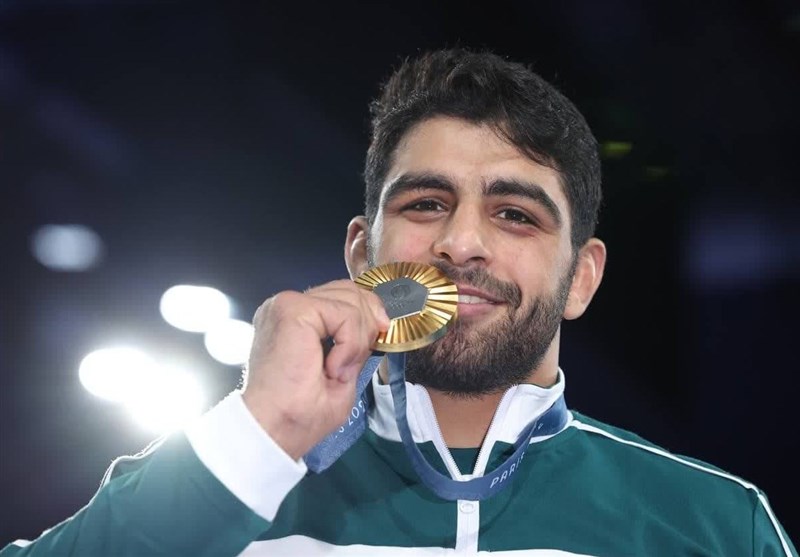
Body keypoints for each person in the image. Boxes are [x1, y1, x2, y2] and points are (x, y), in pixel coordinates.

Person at [2, 48, 796, 557]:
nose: (462, 242)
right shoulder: (222, 474)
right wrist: (261, 430)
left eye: (515, 214)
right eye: (425, 203)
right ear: (361, 252)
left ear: (582, 277)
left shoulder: (716, 525)